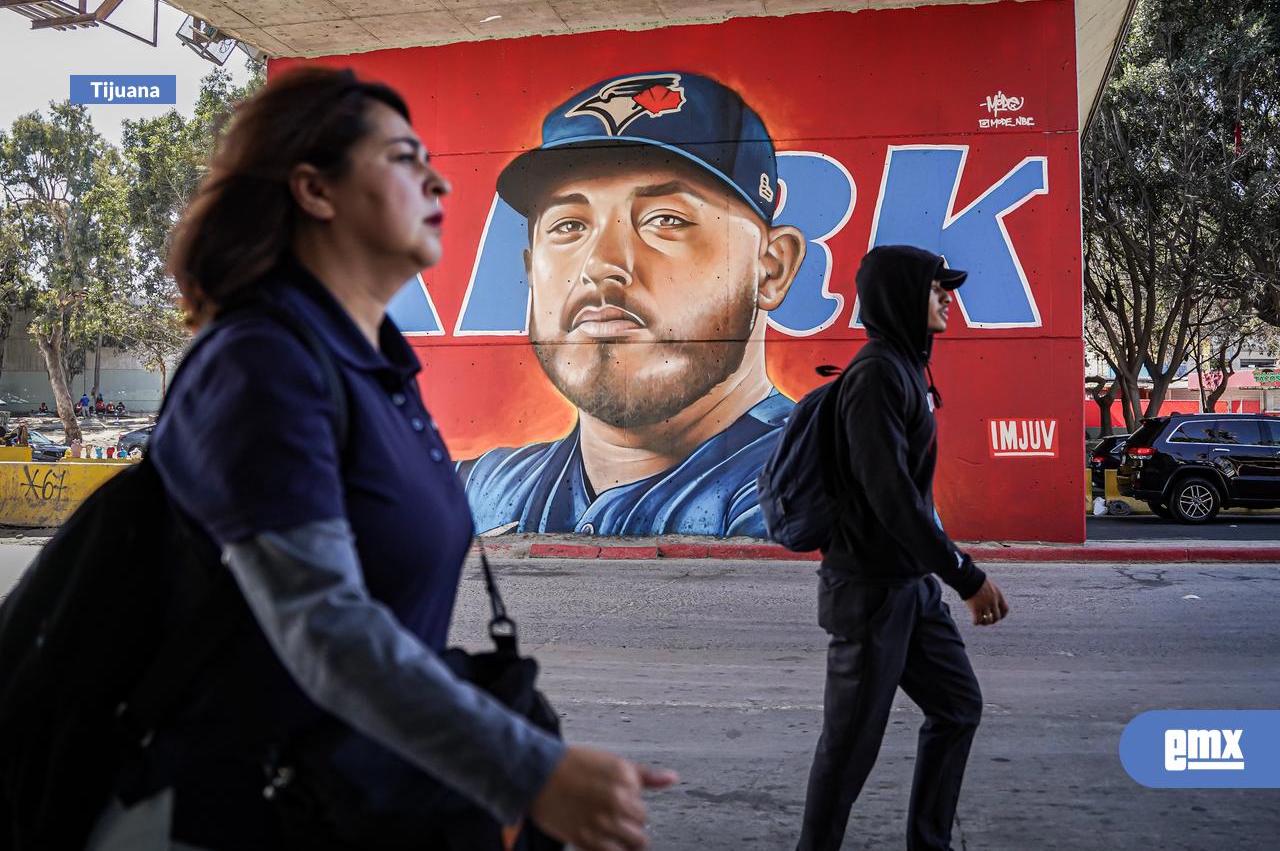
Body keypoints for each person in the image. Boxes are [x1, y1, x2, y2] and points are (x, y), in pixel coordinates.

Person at [86, 67, 674, 851]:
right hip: (230, 813)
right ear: (314, 191)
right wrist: (526, 770)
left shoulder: (374, 368)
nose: (437, 179)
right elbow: (326, 626)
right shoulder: (262, 364)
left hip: (349, 800)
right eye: (402, 157)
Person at [459, 71, 807, 537]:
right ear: (531, 271)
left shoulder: (815, 476)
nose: (601, 265)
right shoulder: (486, 486)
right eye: (568, 226)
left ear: (771, 268)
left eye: (665, 219)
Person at [796, 245, 1010, 851]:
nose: (948, 296)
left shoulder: (906, 369)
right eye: (937, 286)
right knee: (849, 751)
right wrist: (965, 576)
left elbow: (906, 496)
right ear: (898, 296)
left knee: (958, 706)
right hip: (868, 592)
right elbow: (892, 498)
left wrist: (937, 574)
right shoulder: (877, 377)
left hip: (909, 589)